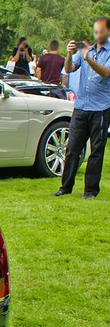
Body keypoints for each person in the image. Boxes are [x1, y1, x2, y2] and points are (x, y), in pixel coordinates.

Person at [53, 17, 110, 199]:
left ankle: (90, 191)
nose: (97, 34)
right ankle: (65, 187)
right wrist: (70, 54)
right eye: (95, 31)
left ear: (108, 32)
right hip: (81, 107)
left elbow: (105, 73)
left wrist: (89, 60)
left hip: (100, 108)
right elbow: (69, 69)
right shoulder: (86, 49)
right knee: (72, 148)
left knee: (96, 151)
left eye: (101, 31)